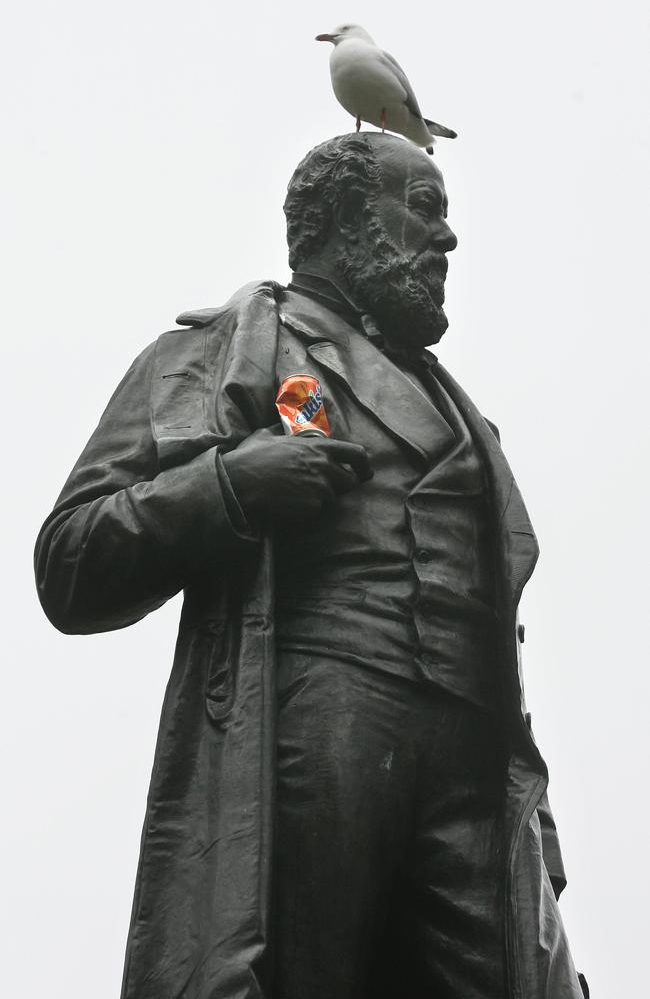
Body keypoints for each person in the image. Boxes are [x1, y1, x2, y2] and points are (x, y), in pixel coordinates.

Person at [35, 132, 586, 999]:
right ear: (341, 221)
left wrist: (540, 838)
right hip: (316, 724)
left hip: (478, 773)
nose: (446, 242)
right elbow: (70, 562)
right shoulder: (222, 352)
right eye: (426, 211)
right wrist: (227, 486)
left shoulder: (462, 414)